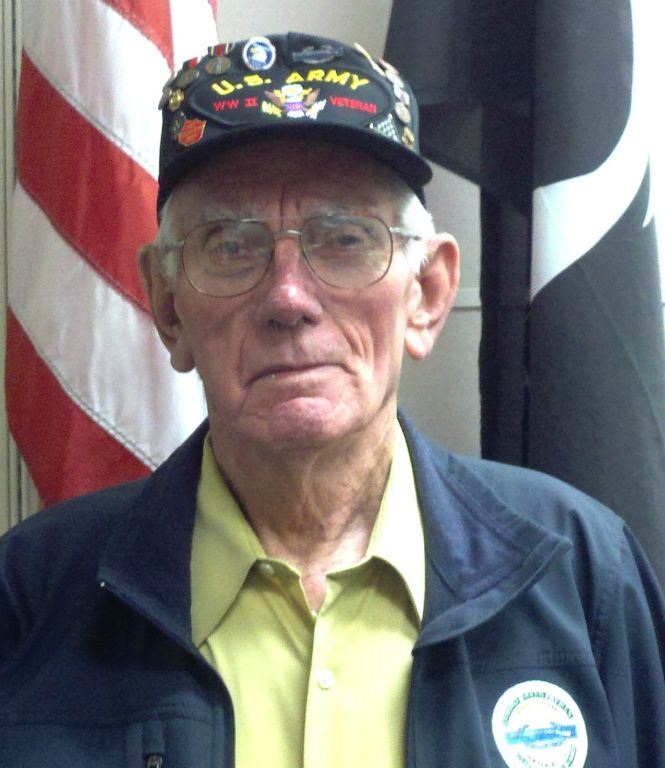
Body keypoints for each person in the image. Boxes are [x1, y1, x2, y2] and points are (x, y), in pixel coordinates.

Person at [0, 31, 663, 768]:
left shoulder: (582, 577)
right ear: (165, 305)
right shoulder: (30, 596)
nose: (288, 298)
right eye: (230, 244)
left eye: (345, 239)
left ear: (428, 295)